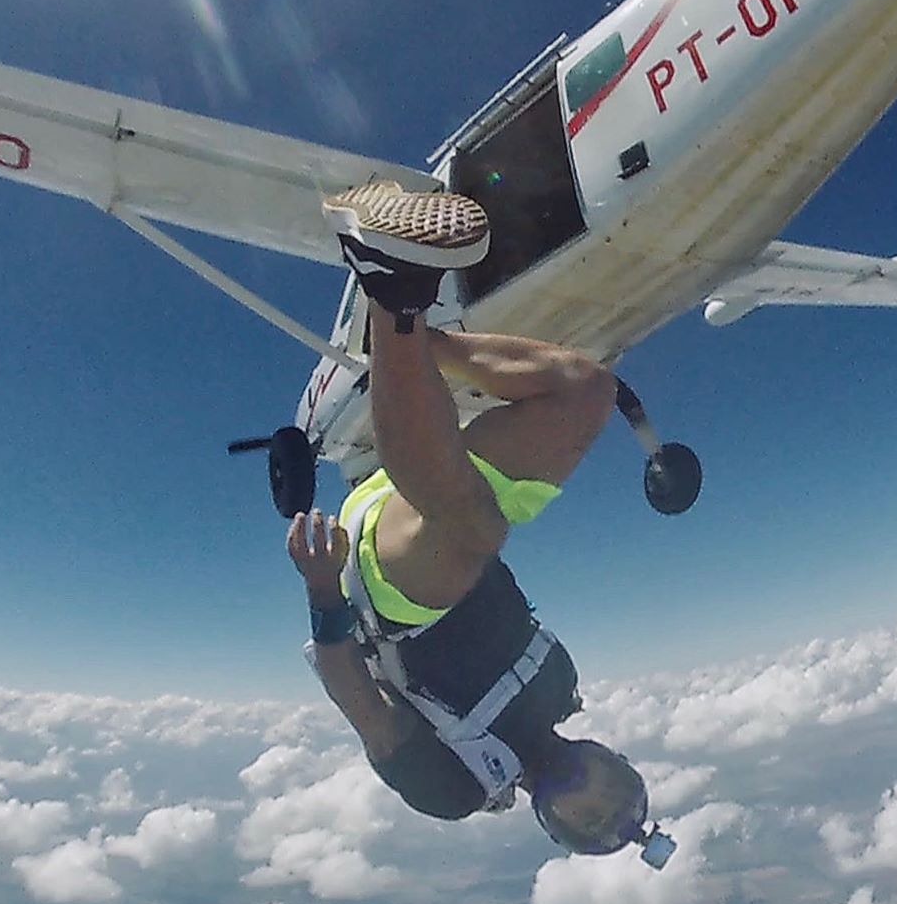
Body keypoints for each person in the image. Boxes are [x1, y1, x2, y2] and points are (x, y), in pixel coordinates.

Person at [288, 181, 674, 863]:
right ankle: (408, 342)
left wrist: (323, 592)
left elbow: (365, 708)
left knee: (475, 535)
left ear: (555, 823)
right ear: (613, 755)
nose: (594, 790)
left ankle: (394, 290)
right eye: (614, 785)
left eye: (590, 814)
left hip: (388, 586)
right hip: (443, 505)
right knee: (586, 392)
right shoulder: (561, 681)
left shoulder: (457, 788)